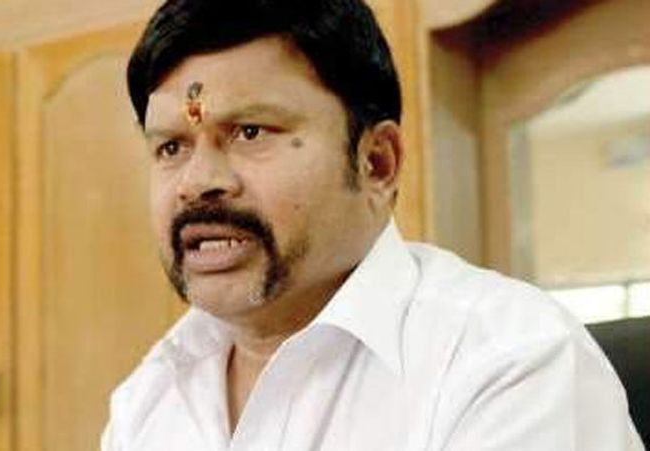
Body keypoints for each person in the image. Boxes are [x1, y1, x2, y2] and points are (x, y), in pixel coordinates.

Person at [101, 0, 643, 449]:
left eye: (250, 132)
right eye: (171, 147)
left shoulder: (512, 360)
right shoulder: (151, 395)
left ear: (377, 162)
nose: (196, 183)